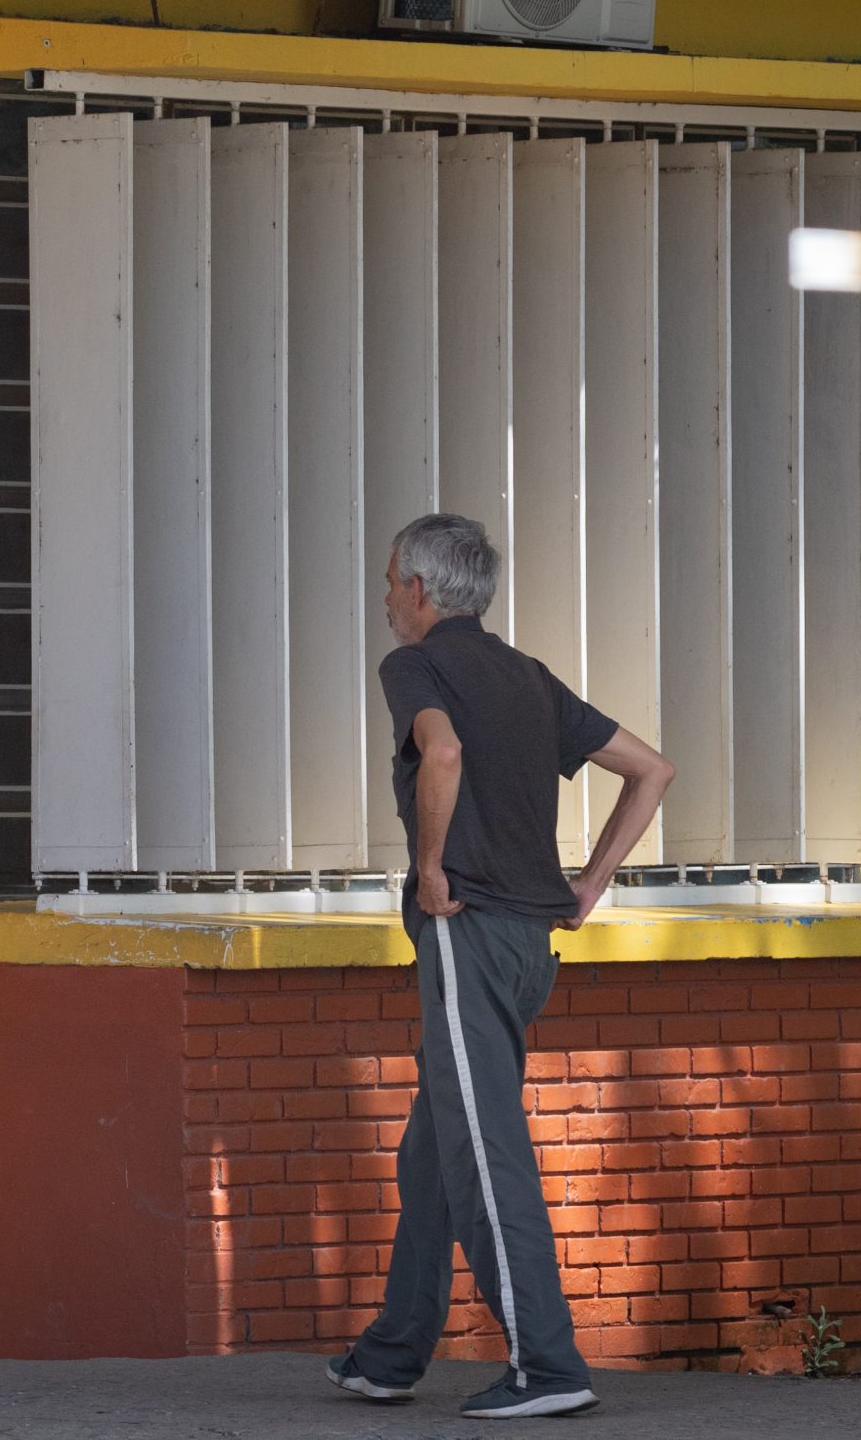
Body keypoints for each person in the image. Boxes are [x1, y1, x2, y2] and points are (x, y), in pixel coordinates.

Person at [325, 513, 674, 1420]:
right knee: (437, 1148)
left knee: (485, 1150)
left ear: (419, 591)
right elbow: (651, 769)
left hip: (468, 930)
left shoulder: (416, 665)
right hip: (531, 946)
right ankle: (394, 1352)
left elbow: (441, 750)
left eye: (391, 579)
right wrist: (590, 883)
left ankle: (547, 1366)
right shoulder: (529, 676)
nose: (387, 598)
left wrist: (432, 866)